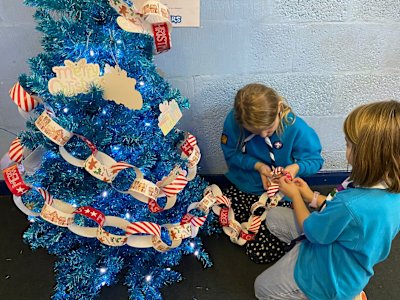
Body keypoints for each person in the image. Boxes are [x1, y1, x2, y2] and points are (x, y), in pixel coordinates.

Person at [254, 100, 400, 299]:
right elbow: (340, 211)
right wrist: (309, 196)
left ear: (367, 156)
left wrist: (295, 196)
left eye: (348, 144)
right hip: (346, 251)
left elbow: (314, 233)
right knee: (273, 217)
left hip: (328, 272)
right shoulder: (386, 187)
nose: (345, 147)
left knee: (261, 289)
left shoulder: (351, 205)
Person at [221, 83, 323, 263]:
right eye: (254, 131)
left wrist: (296, 168)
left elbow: (315, 161)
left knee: (263, 251)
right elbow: (230, 154)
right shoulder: (233, 122)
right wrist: (258, 166)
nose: (262, 136)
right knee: (229, 223)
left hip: (282, 194)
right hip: (247, 185)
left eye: (269, 129)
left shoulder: (295, 127)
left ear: (278, 108)